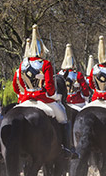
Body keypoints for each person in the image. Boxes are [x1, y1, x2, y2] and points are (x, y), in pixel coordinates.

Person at [13, 24, 78, 159]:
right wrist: (54, 96)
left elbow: (16, 85)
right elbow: (49, 87)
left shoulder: (22, 64)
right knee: (63, 117)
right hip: (43, 99)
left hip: (25, 99)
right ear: (42, 49)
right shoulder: (45, 64)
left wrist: (23, 94)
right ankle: (66, 148)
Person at [59, 43, 90, 110]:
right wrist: (86, 98)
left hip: (64, 101)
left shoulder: (59, 74)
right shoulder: (78, 74)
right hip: (78, 102)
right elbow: (85, 88)